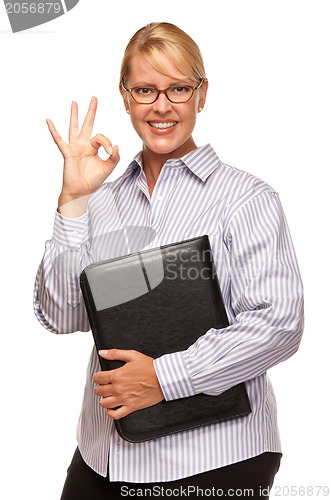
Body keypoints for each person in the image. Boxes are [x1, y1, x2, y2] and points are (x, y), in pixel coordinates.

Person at [34, 22, 304, 499]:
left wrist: (164, 378)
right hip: (102, 458)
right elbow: (61, 315)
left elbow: (278, 323)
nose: (162, 106)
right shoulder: (103, 201)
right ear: (125, 96)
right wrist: (73, 199)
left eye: (178, 88)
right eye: (145, 89)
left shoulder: (247, 199)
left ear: (202, 95)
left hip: (215, 460)